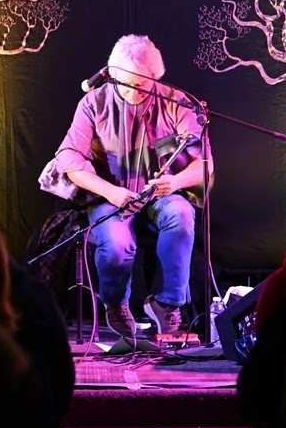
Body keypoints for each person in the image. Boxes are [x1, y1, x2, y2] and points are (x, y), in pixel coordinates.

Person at [51, 34, 212, 339]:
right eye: (123, 83)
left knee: (181, 215)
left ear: (155, 76)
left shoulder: (176, 102)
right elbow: (69, 161)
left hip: (160, 194)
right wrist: (110, 192)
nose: (131, 91)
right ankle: (115, 303)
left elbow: (204, 165)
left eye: (139, 84)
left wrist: (174, 182)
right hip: (109, 195)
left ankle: (168, 303)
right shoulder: (93, 103)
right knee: (117, 244)